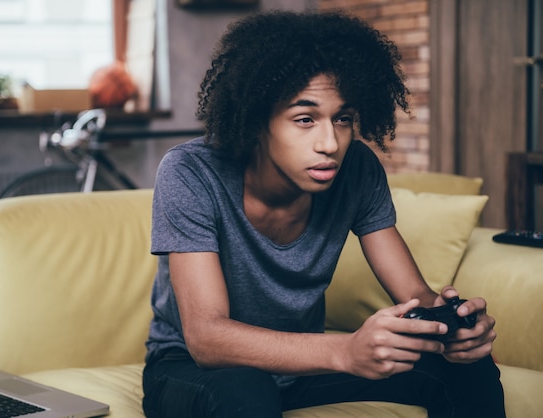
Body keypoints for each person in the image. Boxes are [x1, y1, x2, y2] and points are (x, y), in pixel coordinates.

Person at [142, 9, 505, 418]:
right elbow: (207, 338)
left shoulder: (357, 170)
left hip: (302, 366)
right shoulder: (191, 172)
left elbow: (415, 295)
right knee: (245, 389)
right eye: (305, 119)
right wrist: (345, 351)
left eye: (343, 119)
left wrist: (451, 326)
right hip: (190, 371)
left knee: (466, 370)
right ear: (259, 120)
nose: (330, 142)